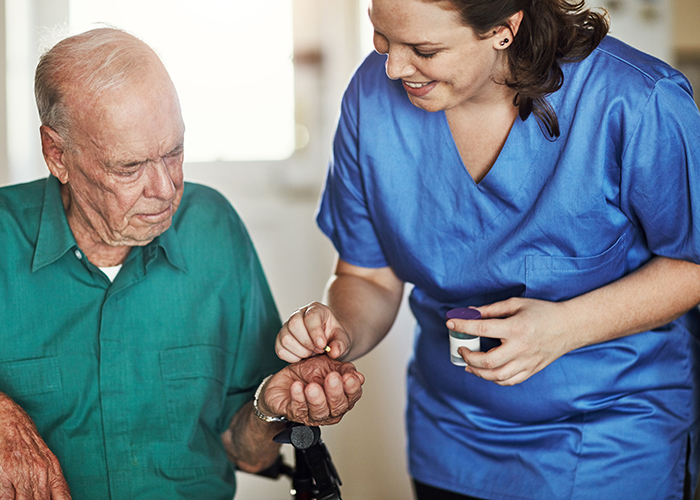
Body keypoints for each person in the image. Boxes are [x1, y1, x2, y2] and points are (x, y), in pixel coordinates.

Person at [274, 0, 700, 498]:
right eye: (382, 37)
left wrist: (564, 328)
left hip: (611, 435)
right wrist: (339, 332)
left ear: (504, 30)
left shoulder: (637, 100)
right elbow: (369, 276)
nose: (392, 67)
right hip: (452, 438)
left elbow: (691, 263)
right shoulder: (372, 95)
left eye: (424, 49)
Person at [0, 27, 364, 500]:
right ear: (57, 154)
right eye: (129, 168)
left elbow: (252, 453)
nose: (166, 189)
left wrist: (273, 407)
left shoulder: (212, 228)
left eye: (173, 153)